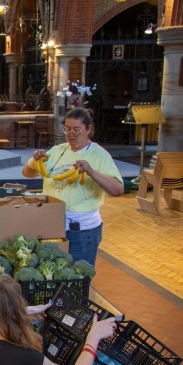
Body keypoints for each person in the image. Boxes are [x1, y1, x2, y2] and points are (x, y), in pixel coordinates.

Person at [22, 108, 123, 265]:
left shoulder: (99, 154)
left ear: (88, 129)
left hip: (80, 230)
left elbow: (118, 190)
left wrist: (91, 172)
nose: (71, 134)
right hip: (51, 223)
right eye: (67, 129)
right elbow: (28, 173)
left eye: (76, 129)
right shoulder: (58, 151)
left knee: (77, 277)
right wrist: (33, 160)